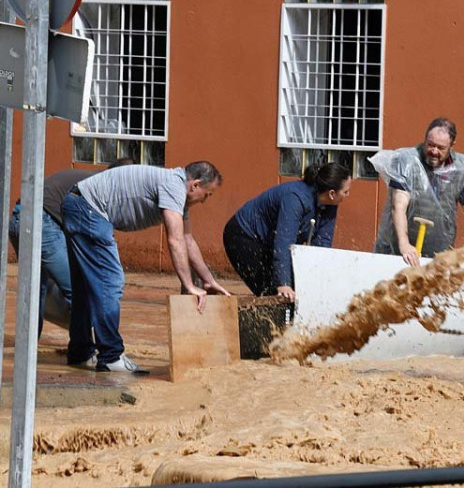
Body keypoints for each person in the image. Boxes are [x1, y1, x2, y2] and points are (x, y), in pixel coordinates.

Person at [61, 161, 228, 373]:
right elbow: (174, 240)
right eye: (207, 194)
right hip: (88, 209)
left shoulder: (177, 193)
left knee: (86, 287)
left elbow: (187, 239)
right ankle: (111, 356)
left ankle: (80, 353)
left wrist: (208, 280)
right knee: (110, 282)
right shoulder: (173, 186)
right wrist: (188, 284)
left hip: (79, 205)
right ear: (195, 185)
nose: (205, 201)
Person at [7, 158, 135, 337]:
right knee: (81, 292)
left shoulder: (88, 180)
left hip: (18, 221)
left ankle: (27, 348)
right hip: (41, 223)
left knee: (36, 288)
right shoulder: (99, 189)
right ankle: (83, 348)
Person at [370, 117, 464, 273]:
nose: (434, 151)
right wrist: (404, 243)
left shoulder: (461, 169)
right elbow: (398, 205)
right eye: (430, 145)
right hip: (398, 248)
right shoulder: (406, 161)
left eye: (440, 148)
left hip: (439, 249)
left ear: (452, 146)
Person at [223, 163, 351, 302]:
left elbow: (322, 244)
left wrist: (315, 283)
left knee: (298, 289)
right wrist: (283, 284)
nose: (347, 195)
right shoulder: (295, 198)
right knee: (273, 292)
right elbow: (284, 241)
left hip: (270, 241)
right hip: (243, 235)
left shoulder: (330, 205)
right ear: (332, 193)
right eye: (346, 192)